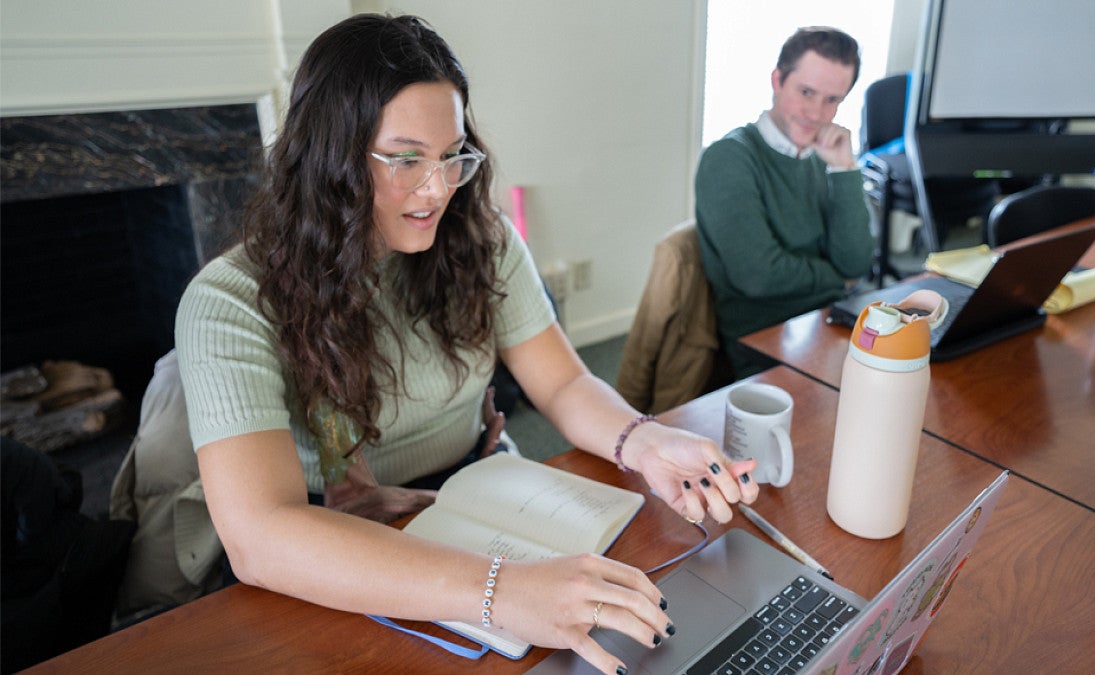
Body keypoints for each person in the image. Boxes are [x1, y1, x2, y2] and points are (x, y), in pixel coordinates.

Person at [174, 14, 758, 675]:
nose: (437, 187)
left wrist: (645, 440)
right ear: (329, 156)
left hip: (480, 493)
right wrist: (500, 589)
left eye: (453, 153)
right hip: (336, 533)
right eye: (405, 159)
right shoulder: (227, 303)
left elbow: (563, 384)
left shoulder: (480, 240)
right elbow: (261, 535)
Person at [695, 26, 874, 378]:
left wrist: (844, 170)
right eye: (805, 92)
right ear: (777, 81)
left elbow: (855, 261)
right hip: (768, 339)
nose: (817, 113)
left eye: (832, 100)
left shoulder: (821, 156)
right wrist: (838, 280)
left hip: (830, 321)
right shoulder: (730, 159)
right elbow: (759, 276)